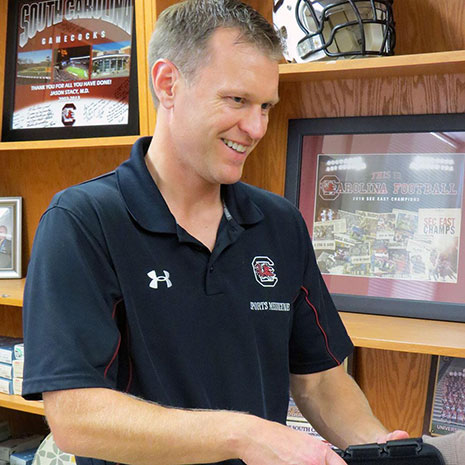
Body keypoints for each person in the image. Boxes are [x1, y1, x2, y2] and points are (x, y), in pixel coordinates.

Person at [22, 1, 408, 465]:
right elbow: (75, 417)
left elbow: (320, 381)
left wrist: (381, 447)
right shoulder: (82, 221)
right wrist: (241, 435)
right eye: (237, 100)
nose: (256, 127)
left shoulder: (280, 223)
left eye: (266, 106)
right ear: (168, 84)